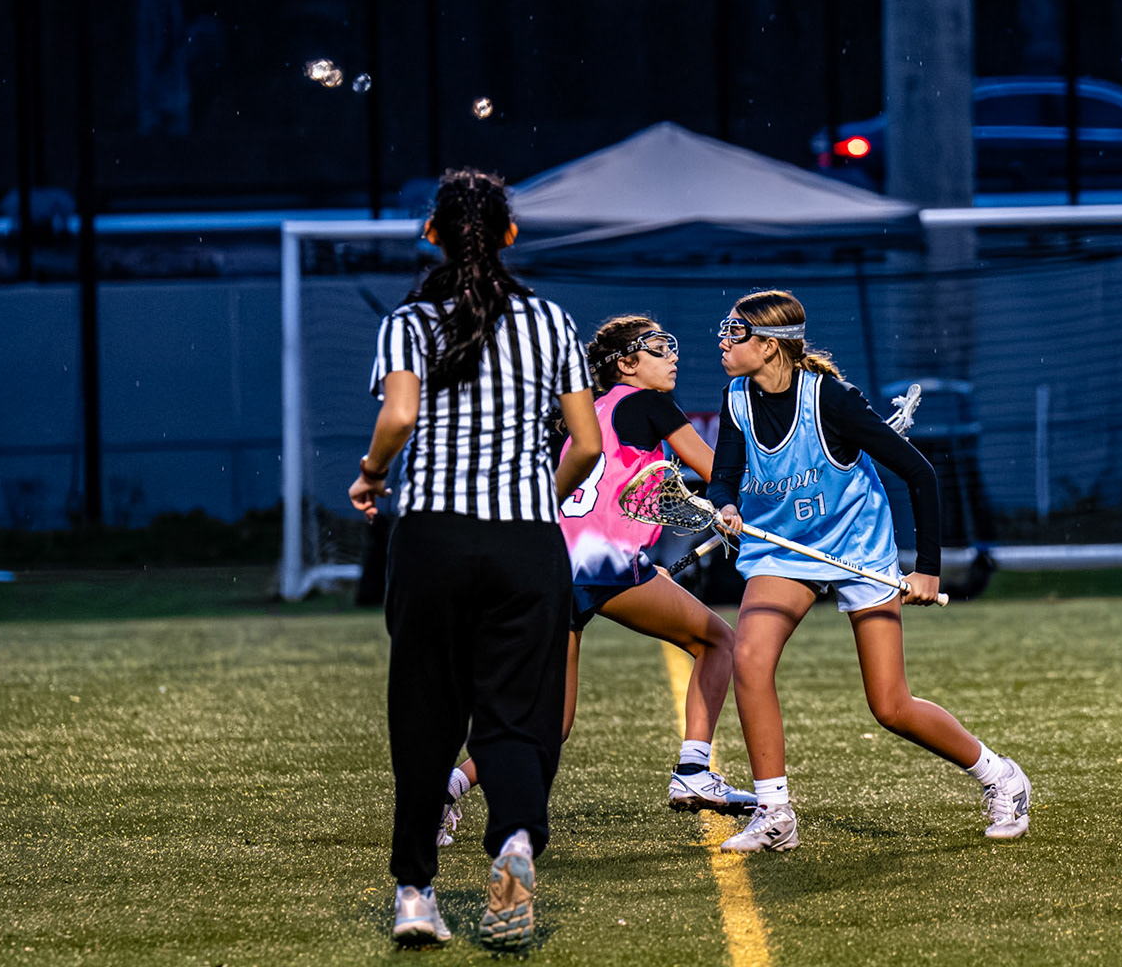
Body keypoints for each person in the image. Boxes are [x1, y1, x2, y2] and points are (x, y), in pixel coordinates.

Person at [350, 167, 598, 951]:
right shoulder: (551, 322)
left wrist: (372, 474)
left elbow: (399, 416)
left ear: (432, 234)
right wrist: (537, 496)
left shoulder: (409, 322)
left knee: (426, 716)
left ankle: (416, 893)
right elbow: (587, 443)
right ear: (509, 235)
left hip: (434, 539)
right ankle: (514, 841)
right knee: (515, 716)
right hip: (525, 543)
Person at [705, 289, 1033, 852]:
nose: (723, 342)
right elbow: (723, 476)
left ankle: (1000, 775)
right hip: (785, 550)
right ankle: (775, 813)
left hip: (858, 548)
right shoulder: (737, 396)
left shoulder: (832, 400)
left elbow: (921, 474)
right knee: (750, 658)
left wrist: (927, 570)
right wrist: (726, 505)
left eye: (736, 332)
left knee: (890, 706)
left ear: (771, 345)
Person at [437, 314, 755, 845]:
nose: (672, 356)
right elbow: (714, 470)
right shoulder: (649, 403)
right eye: (659, 347)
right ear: (626, 363)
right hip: (600, 565)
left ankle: (448, 786)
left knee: (551, 723)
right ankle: (694, 772)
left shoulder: (590, 411)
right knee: (717, 641)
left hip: (551, 567)